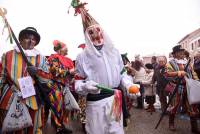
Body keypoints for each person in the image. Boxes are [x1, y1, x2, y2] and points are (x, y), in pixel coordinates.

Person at [71, 2, 140, 134]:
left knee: (117, 131)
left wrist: (129, 85)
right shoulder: (82, 57)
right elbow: (78, 83)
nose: (96, 35)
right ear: (87, 36)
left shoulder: (114, 52)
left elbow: (122, 74)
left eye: (98, 30)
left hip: (115, 100)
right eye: (91, 32)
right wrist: (86, 86)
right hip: (95, 103)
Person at [0, 27, 49, 134]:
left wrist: (37, 72)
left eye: (34, 39)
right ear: (20, 40)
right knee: (12, 128)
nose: (31, 41)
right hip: (11, 98)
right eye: (27, 38)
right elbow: (1, 77)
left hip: (34, 99)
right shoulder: (8, 55)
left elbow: (47, 80)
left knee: (34, 128)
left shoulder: (41, 58)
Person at [165, 45, 199, 133]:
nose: (182, 53)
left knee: (191, 106)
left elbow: (193, 72)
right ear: (175, 54)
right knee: (174, 106)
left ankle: (194, 127)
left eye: (182, 51)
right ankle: (171, 123)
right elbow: (167, 74)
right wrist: (178, 73)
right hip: (176, 87)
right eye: (180, 52)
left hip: (188, 87)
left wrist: (197, 81)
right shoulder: (170, 63)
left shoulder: (187, 62)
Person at [47, 40, 74, 134]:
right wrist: (69, 72)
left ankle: (61, 125)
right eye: (64, 47)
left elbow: (67, 74)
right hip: (55, 86)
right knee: (57, 107)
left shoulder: (66, 59)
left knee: (64, 107)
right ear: (59, 49)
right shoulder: (53, 58)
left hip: (64, 86)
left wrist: (72, 75)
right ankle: (58, 127)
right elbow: (55, 71)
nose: (67, 49)